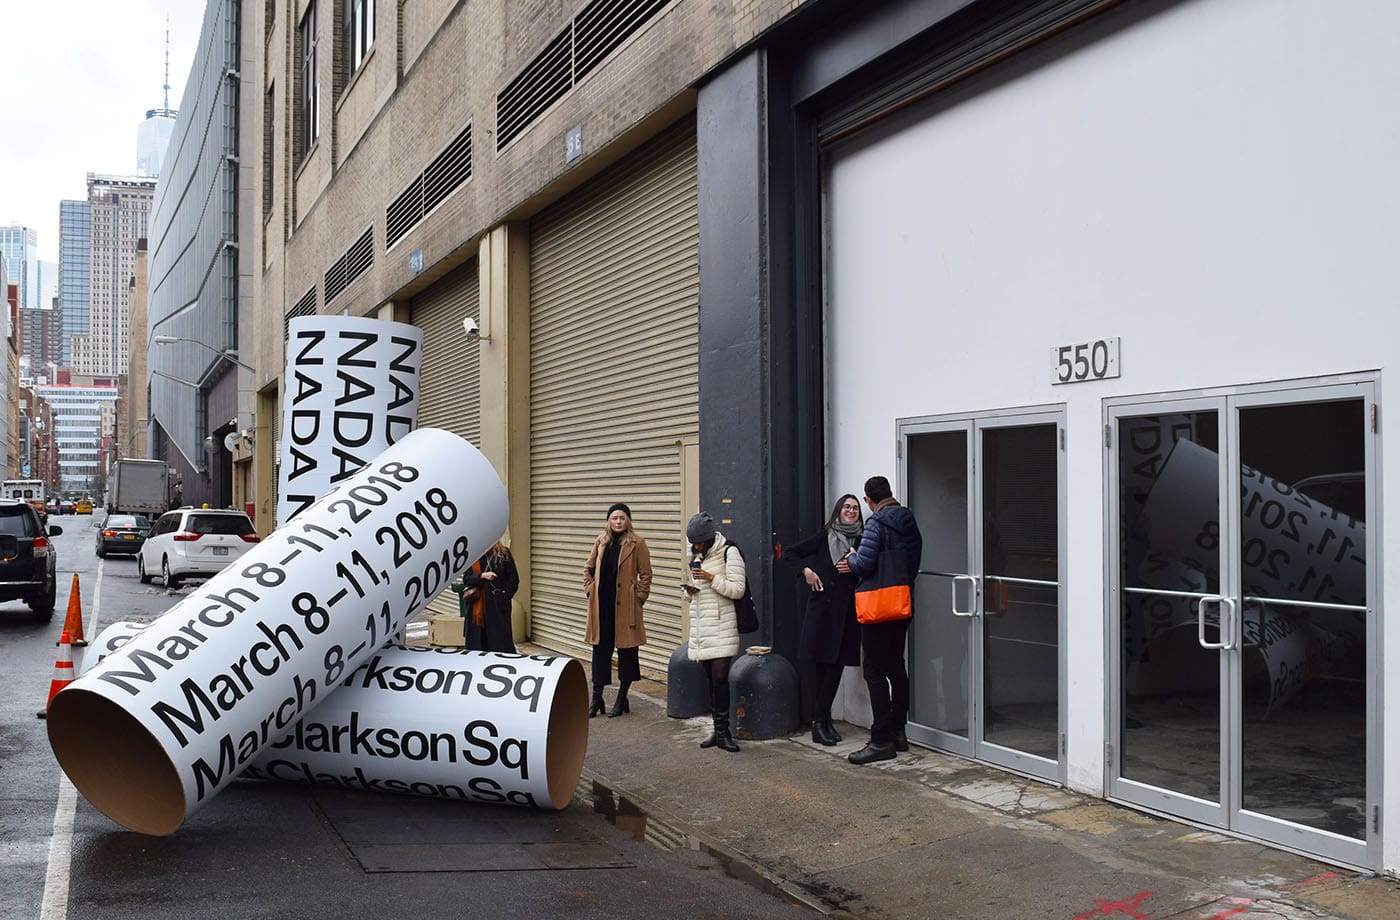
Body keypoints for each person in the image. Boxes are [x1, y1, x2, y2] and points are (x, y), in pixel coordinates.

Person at [840, 475, 923, 765]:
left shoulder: (876, 522)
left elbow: (863, 564)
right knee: (896, 667)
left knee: (874, 671)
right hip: (901, 602)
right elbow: (913, 562)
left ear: (868, 500)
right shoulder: (908, 519)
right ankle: (899, 732)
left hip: (877, 606)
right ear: (890, 493)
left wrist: (850, 558)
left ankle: (881, 740)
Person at [786, 494, 863, 746]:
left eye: (855, 508)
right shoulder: (824, 537)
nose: (851, 511)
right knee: (821, 668)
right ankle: (819, 722)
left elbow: (870, 569)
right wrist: (806, 571)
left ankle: (823, 719)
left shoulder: (863, 540)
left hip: (848, 613)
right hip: (822, 612)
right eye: (847, 507)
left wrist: (856, 565)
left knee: (836, 668)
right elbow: (791, 554)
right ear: (838, 511)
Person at [683, 511, 746, 753]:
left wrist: (710, 577)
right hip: (702, 628)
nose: (696, 546)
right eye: (693, 543)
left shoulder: (730, 552)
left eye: (699, 542)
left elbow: (737, 589)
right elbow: (697, 593)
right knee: (711, 681)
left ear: (709, 538)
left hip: (722, 625)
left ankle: (725, 732)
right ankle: (717, 731)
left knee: (720, 679)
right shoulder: (698, 556)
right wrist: (689, 590)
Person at [584, 503, 653, 718]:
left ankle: (622, 698)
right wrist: (590, 590)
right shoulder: (601, 541)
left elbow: (646, 575)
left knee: (627, 654)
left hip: (626, 608)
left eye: (622, 518)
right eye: (614, 518)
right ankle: (597, 699)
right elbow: (588, 568)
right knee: (600, 653)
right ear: (608, 521)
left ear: (628, 520)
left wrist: (638, 598)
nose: (618, 521)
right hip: (602, 607)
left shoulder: (637, 543)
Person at [452, 541, 519, 652]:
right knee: (478, 646)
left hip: (497, 607)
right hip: (476, 608)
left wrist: (503, 596)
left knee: (500, 644)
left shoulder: (503, 554)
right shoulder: (474, 555)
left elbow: (513, 580)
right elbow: (467, 579)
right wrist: (482, 576)